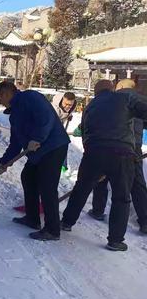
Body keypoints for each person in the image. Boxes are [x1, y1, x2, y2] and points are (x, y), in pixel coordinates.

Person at [61, 79, 147, 251]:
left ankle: (67, 222)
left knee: (81, 188)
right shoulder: (124, 99)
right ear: (112, 89)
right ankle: (115, 240)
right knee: (121, 197)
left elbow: (84, 132)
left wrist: (96, 160)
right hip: (122, 154)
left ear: (96, 92)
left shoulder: (90, 106)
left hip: (94, 153)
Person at [0, 81, 70, 241]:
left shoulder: (30, 97)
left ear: (6, 93)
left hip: (53, 146)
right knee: (28, 177)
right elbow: (15, 143)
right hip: (38, 152)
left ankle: (52, 230)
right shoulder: (14, 115)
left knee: (47, 186)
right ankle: (32, 218)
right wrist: (5, 162)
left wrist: (37, 138)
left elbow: (46, 118)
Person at [88, 79, 147, 235]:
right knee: (137, 183)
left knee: (102, 177)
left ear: (119, 86)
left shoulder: (115, 98)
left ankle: (98, 210)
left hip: (113, 145)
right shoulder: (141, 100)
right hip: (135, 148)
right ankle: (145, 221)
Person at [51, 91, 76, 173]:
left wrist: (69, 115)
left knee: (64, 143)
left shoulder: (72, 106)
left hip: (60, 124)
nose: (68, 107)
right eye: (66, 104)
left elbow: (68, 111)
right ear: (62, 100)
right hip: (50, 126)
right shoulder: (54, 109)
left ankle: (62, 165)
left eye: (70, 105)